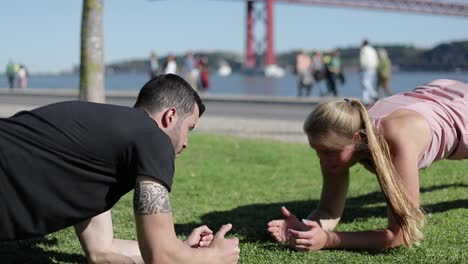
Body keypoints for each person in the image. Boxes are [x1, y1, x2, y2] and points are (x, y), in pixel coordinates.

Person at [0, 74, 240, 264]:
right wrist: (214, 257)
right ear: (170, 116)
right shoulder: (153, 138)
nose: (186, 142)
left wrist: (182, 250)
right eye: (190, 128)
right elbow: (162, 258)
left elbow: (101, 251)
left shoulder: (102, 149)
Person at [268, 79, 468, 251]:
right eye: (317, 150)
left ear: (356, 139)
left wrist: (329, 240)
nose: (322, 160)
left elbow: (401, 235)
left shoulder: (396, 138)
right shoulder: (343, 134)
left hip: (460, 108)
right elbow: (329, 211)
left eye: (329, 151)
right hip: (433, 97)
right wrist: (305, 231)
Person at [360, 39, 379, 105]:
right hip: (373, 68)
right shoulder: (372, 50)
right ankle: (365, 99)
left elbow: (363, 59)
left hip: (366, 67)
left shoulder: (363, 49)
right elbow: (376, 59)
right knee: (369, 83)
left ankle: (374, 95)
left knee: (365, 82)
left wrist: (362, 66)